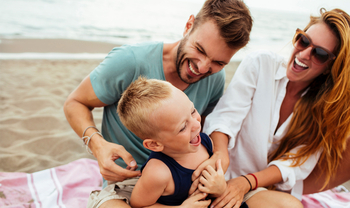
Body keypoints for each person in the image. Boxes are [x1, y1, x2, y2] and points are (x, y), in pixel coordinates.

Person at [63, 0, 253, 207]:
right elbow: (75, 102)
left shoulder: (214, 78)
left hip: (184, 185)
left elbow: (202, 129)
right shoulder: (130, 61)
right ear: (189, 26)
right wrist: (98, 146)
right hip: (130, 186)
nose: (202, 67)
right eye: (200, 49)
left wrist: (218, 159)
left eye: (218, 63)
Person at [192, 8, 350, 208]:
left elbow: (295, 163)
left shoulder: (326, 107)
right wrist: (220, 157)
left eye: (319, 54)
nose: (303, 53)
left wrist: (246, 183)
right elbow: (225, 118)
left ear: (331, 66)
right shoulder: (260, 64)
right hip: (218, 173)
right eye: (304, 41)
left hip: (256, 188)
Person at [117, 77, 230, 208]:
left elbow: (216, 185)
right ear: (155, 145)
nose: (196, 124)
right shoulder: (158, 173)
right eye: (183, 127)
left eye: (192, 111)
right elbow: (139, 205)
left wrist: (220, 189)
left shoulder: (205, 142)